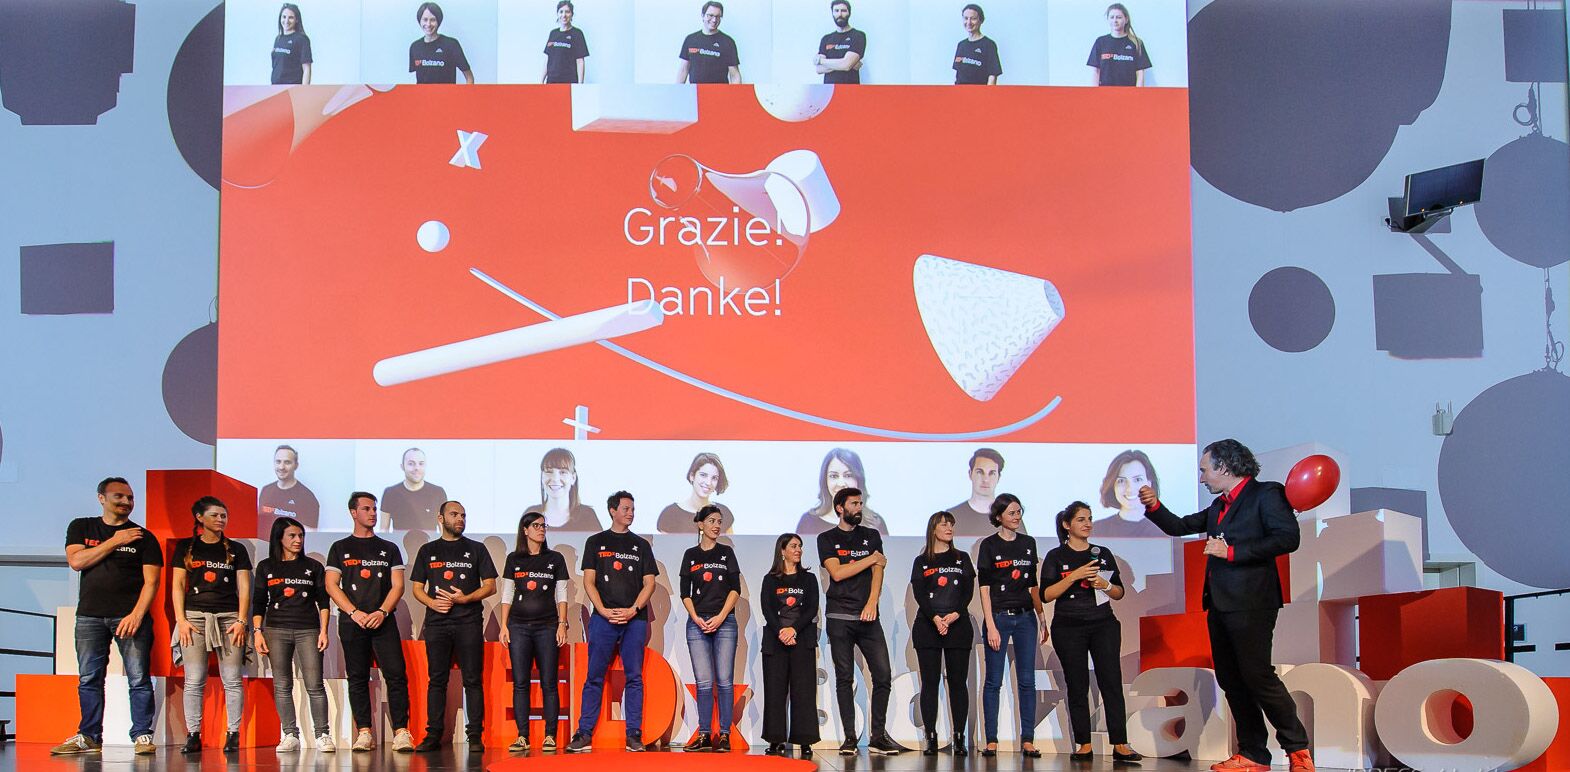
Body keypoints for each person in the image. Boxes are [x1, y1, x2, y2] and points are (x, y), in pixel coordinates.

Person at [1139, 439, 1314, 772]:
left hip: (1253, 601)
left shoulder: (1267, 494)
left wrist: (1231, 552)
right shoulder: (1219, 506)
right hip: (1220, 603)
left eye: (1205, 470)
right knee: (1232, 679)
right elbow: (1180, 526)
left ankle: (1297, 749)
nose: (1202, 478)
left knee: (1257, 675)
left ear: (1224, 466)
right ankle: (1253, 754)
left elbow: (1287, 538)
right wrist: (1154, 505)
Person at [53, 478, 162, 756]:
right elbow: (77, 561)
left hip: (130, 618)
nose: (126, 502)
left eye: (130, 497)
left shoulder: (143, 537)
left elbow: (152, 582)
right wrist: (115, 541)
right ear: (101, 498)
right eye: (119, 496)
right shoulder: (82, 527)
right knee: (89, 678)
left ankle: (142, 735)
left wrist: (137, 615)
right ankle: (89, 736)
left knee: (138, 678)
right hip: (90, 616)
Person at [1040, 502, 1142, 765]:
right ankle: (1083, 743)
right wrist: (1073, 576)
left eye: (1090, 518)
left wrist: (1105, 584)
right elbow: (1046, 594)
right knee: (1077, 684)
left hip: (1103, 624)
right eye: (1081, 519)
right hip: (1068, 626)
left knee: (1111, 681)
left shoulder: (1102, 553)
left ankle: (1120, 743)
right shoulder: (1055, 556)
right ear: (1067, 525)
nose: (1087, 524)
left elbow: (1119, 592)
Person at [566, 491, 660, 753]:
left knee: (634, 677)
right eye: (626, 508)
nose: (631, 513)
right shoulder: (596, 541)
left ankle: (634, 734)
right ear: (612, 511)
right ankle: (584, 733)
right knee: (594, 676)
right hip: (603, 620)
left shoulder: (641, 545)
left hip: (634, 620)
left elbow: (650, 583)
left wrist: (633, 609)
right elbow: (589, 581)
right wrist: (603, 610)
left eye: (633, 509)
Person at [817, 487, 906, 755]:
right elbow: (837, 573)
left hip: (868, 616)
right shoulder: (826, 538)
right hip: (839, 617)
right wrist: (871, 559)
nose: (859, 508)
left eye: (860, 503)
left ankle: (878, 737)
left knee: (882, 675)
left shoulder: (871, 535)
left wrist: (872, 602)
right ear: (840, 508)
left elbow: (879, 571)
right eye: (854, 504)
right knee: (844, 678)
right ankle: (850, 738)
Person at [325, 492, 415, 753]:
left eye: (374, 508)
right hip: (352, 622)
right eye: (366, 509)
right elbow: (332, 585)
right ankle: (364, 732)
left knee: (395, 674)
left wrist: (382, 612)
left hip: (383, 621)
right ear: (353, 512)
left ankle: (401, 732)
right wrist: (354, 612)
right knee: (357, 676)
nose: (373, 513)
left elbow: (398, 586)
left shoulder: (389, 548)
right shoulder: (339, 548)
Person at [410, 500, 497, 752]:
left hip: (468, 621)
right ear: (440, 518)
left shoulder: (476, 549)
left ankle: (475, 736)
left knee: (472, 679)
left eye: (463, 515)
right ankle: (433, 734)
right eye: (454, 514)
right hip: (437, 623)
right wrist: (432, 603)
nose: (460, 519)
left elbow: (490, 585)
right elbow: (417, 588)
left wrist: (466, 598)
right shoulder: (428, 550)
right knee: (437, 680)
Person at [172, 496, 253, 754]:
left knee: (232, 679)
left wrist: (241, 620)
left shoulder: (236, 549)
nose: (220, 520)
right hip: (194, 618)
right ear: (199, 517)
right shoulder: (186, 547)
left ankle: (233, 734)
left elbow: (244, 587)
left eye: (223, 515)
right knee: (194, 679)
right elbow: (177, 585)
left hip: (229, 619)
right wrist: (181, 620)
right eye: (215, 515)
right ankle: (193, 735)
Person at [251, 516, 333, 753]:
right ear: (280, 538)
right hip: (276, 629)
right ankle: (290, 734)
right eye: (292, 536)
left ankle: (323, 734)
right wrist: (257, 632)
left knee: (315, 684)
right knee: (282, 685)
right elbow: (259, 602)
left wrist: (324, 631)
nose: (298, 540)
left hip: (308, 629)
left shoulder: (314, 567)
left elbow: (323, 602)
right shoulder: (266, 566)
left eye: (301, 536)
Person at [976, 492, 1045, 757]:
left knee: (1027, 680)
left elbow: (1033, 584)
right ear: (999, 516)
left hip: (1026, 617)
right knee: (993, 681)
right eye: (1012, 513)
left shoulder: (1028, 543)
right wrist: (991, 625)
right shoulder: (989, 545)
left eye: (1019, 512)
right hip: (999, 617)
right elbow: (984, 588)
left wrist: (1041, 616)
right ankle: (991, 740)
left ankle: (1028, 740)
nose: (1017, 517)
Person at [500, 511, 570, 753]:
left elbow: (561, 594)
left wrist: (562, 623)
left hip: (547, 627)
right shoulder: (513, 559)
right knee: (520, 683)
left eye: (544, 526)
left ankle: (550, 735)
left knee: (549, 682)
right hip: (518, 627)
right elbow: (507, 594)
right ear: (525, 530)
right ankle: (522, 736)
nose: (542, 529)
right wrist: (504, 625)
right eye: (537, 526)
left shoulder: (555, 558)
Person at [910, 511, 976, 756]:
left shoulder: (962, 558)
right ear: (933, 529)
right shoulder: (922, 561)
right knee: (930, 683)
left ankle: (959, 737)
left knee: (958, 683)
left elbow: (968, 591)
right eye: (944, 524)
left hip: (958, 626)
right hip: (928, 626)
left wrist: (955, 614)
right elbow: (919, 594)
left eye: (951, 524)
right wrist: (936, 618)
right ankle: (931, 737)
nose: (949, 528)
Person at [679, 504, 741, 752]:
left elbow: (735, 589)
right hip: (697, 624)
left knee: (724, 681)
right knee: (703, 682)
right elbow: (685, 593)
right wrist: (695, 617)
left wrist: (721, 616)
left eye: (719, 521)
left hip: (724, 622)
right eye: (712, 521)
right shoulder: (690, 555)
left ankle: (724, 735)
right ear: (700, 524)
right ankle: (704, 734)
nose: (716, 526)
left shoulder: (726, 553)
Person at [760, 533, 820, 758]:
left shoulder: (809, 579)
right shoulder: (770, 579)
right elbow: (767, 609)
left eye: (800, 546)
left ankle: (805, 741)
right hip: (775, 641)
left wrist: (793, 630)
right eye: (793, 546)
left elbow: (811, 608)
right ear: (782, 551)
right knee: (775, 691)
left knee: (803, 692)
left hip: (801, 640)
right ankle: (775, 739)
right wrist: (781, 632)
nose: (798, 549)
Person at [795, 447, 889, 535]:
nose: (841, 483)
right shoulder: (808, 522)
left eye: (848, 475)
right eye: (834, 476)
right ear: (825, 481)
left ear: (859, 480)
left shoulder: (875, 523)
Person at [525, 447, 603, 531]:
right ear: (542, 477)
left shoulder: (587, 516)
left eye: (563, 472)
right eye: (549, 471)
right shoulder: (531, 515)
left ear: (573, 478)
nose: (555, 479)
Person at [1095, 449, 1166, 538]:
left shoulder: (1167, 532)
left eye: (1137, 480)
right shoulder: (1096, 530)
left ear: (1149, 484)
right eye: (1121, 481)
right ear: (1113, 486)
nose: (1130, 489)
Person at [657, 452, 734, 533]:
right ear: (692, 476)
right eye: (703, 475)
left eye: (714, 478)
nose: (708, 483)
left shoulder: (724, 513)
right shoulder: (670, 514)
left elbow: (732, 541)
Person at [381, 447, 448, 531]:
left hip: (430, 540)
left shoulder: (438, 492)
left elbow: (444, 531)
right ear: (402, 467)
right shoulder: (390, 493)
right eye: (411, 464)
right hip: (400, 540)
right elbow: (383, 530)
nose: (417, 468)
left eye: (421, 463)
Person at [259, 444, 320, 532]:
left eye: (287, 462)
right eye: (278, 462)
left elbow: (311, 535)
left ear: (296, 465)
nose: (281, 467)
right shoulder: (266, 490)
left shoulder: (308, 498)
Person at [1087, 3, 1151, 87]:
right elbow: (1095, 71)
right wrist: (1095, 92)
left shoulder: (1136, 42)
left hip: (1129, 92)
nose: (1115, 20)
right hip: (1105, 92)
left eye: (1119, 17)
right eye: (1112, 17)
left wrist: (1138, 93)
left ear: (1126, 19)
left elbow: (1140, 73)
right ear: (1108, 19)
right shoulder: (1100, 42)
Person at [677, 1, 741, 84]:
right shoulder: (690, 40)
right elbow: (683, 70)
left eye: (718, 16)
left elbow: (734, 75)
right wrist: (676, 90)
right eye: (710, 15)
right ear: (703, 15)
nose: (714, 20)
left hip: (719, 91)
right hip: (696, 90)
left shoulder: (728, 42)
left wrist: (736, 92)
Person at [410, 2, 473, 84]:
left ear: (438, 21)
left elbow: (469, 77)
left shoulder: (451, 44)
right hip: (423, 93)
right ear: (420, 21)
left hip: (447, 93)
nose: (428, 24)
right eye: (425, 19)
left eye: (433, 20)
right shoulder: (415, 47)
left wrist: (466, 92)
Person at [946, 447, 1005, 536]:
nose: (985, 480)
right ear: (970, 474)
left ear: (999, 477)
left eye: (991, 473)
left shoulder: (1010, 518)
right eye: (980, 472)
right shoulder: (952, 516)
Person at [815, 0, 864, 84]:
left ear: (849, 13)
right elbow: (819, 69)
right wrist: (846, 64)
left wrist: (821, 61)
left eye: (843, 10)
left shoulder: (858, 36)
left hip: (850, 89)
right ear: (832, 13)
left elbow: (846, 65)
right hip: (830, 90)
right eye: (836, 11)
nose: (840, 14)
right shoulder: (826, 39)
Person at [953, 4, 1001, 85]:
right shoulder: (961, 45)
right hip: (960, 92)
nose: (969, 22)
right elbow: (957, 75)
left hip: (980, 92)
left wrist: (988, 92)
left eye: (973, 19)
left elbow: (992, 76)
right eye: (966, 18)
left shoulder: (989, 45)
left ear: (981, 20)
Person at [542, 0, 589, 84]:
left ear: (572, 14)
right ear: (557, 14)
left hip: (569, 82)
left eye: (567, 12)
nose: (564, 15)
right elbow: (547, 58)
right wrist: (541, 80)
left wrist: (580, 85)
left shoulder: (577, 33)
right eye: (561, 12)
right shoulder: (553, 33)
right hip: (551, 81)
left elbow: (580, 61)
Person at [271, 3, 312, 85]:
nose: (286, 21)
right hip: (275, 87)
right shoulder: (278, 39)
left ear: (297, 20)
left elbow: (306, 68)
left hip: (293, 88)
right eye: (284, 17)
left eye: (291, 18)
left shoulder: (302, 39)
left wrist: (304, 90)